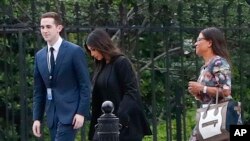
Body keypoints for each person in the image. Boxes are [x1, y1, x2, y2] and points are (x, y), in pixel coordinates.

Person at [32, 12, 91, 141]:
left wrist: (81, 112)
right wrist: (37, 118)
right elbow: (39, 90)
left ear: (59, 28)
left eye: (48, 27)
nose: (45, 31)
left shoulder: (74, 51)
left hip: (71, 113)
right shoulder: (40, 56)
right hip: (52, 114)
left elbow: (85, 85)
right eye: (42, 27)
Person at [84, 29, 152, 141]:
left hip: (123, 123)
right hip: (104, 123)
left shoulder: (121, 63)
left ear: (102, 45)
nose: (92, 54)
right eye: (90, 50)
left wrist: (119, 116)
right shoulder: (101, 66)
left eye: (93, 49)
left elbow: (131, 91)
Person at [188, 27, 241, 141]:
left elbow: (226, 91)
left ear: (209, 42)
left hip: (222, 114)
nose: (195, 43)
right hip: (210, 114)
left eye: (199, 39)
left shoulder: (218, 62)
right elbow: (208, 94)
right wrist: (198, 93)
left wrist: (202, 88)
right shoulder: (206, 66)